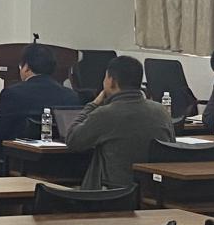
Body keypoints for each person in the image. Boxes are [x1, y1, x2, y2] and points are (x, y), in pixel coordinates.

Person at [64, 56, 176, 190]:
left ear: (112, 81)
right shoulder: (161, 111)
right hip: (153, 191)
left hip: (113, 194)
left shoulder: (105, 114)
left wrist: (93, 104)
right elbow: (171, 146)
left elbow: (72, 140)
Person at [0, 43, 81, 153]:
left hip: (19, 157)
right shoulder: (71, 95)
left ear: (26, 67)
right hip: (60, 158)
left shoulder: (13, 93)